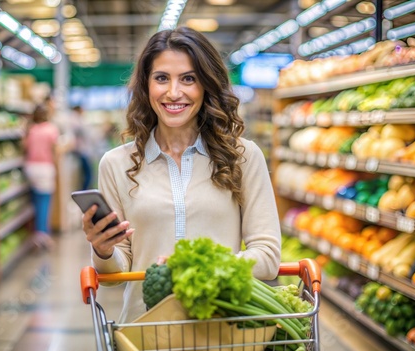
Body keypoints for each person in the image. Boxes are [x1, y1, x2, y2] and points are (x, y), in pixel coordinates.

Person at [82, 26, 281, 323]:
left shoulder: (242, 156)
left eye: (188, 79)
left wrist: (198, 271)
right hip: (145, 334)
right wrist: (103, 249)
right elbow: (115, 277)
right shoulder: (115, 163)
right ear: (146, 86)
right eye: (162, 78)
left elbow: (267, 256)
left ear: (206, 85)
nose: (174, 93)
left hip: (223, 333)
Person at [24, 103, 60, 249]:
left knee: (35, 201)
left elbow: (25, 147)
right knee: (44, 203)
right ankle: (42, 235)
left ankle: (36, 233)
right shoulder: (51, 129)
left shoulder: (30, 129)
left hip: (30, 168)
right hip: (45, 168)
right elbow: (55, 150)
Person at [71, 105, 94, 190]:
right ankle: (85, 191)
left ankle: (85, 190)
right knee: (88, 174)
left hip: (84, 151)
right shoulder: (75, 120)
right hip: (83, 151)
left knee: (87, 174)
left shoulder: (79, 120)